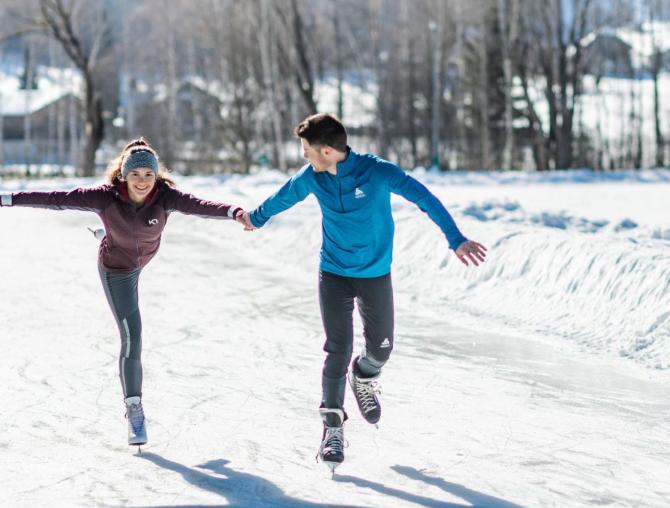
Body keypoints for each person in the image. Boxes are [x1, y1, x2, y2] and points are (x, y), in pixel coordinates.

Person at [238, 113, 487, 472]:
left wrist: (456, 239)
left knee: (381, 349)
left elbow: (425, 198)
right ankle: (332, 428)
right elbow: (282, 198)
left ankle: (365, 375)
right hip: (334, 273)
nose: (304, 156)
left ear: (326, 150)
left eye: (307, 150)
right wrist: (254, 218)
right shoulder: (313, 177)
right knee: (337, 348)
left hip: (374, 275)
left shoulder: (377, 171)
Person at [0, 138, 248, 447]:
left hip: (144, 254)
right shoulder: (104, 198)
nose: (142, 182)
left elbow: (200, 206)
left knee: (126, 237)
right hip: (117, 269)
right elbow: (55, 198)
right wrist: (6, 198)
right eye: (135, 175)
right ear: (123, 175)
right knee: (133, 335)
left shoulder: (165, 197)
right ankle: (134, 409)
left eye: (148, 174)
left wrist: (234, 211)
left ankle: (109, 232)